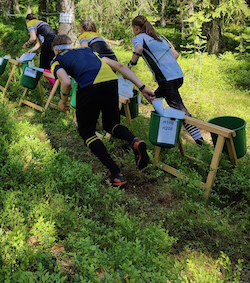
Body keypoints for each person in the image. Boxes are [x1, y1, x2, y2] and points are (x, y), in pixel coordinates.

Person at [51, 34, 155, 187]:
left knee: (87, 133)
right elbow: (119, 66)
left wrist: (62, 101)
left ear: (56, 50)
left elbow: (66, 82)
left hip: (88, 86)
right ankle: (135, 141)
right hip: (111, 82)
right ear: (71, 46)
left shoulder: (56, 60)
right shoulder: (89, 51)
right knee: (111, 125)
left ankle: (116, 174)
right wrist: (142, 88)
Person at [128, 15, 204, 145]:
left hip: (167, 79)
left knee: (180, 110)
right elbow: (175, 54)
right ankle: (165, 128)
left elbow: (139, 49)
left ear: (136, 27)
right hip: (177, 76)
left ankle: (200, 141)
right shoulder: (159, 38)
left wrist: (130, 66)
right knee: (154, 98)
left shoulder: (138, 37)